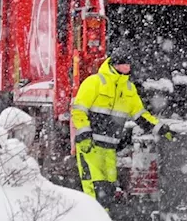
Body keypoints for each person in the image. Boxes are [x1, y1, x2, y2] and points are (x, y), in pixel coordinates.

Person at [70, 42, 174, 209]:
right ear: (115, 63)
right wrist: (84, 134)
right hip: (90, 146)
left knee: (108, 188)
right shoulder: (94, 82)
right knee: (94, 187)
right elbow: (79, 110)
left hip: (109, 147)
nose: (126, 66)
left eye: (128, 64)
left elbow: (140, 115)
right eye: (123, 63)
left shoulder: (128, 89)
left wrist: (159, 128)